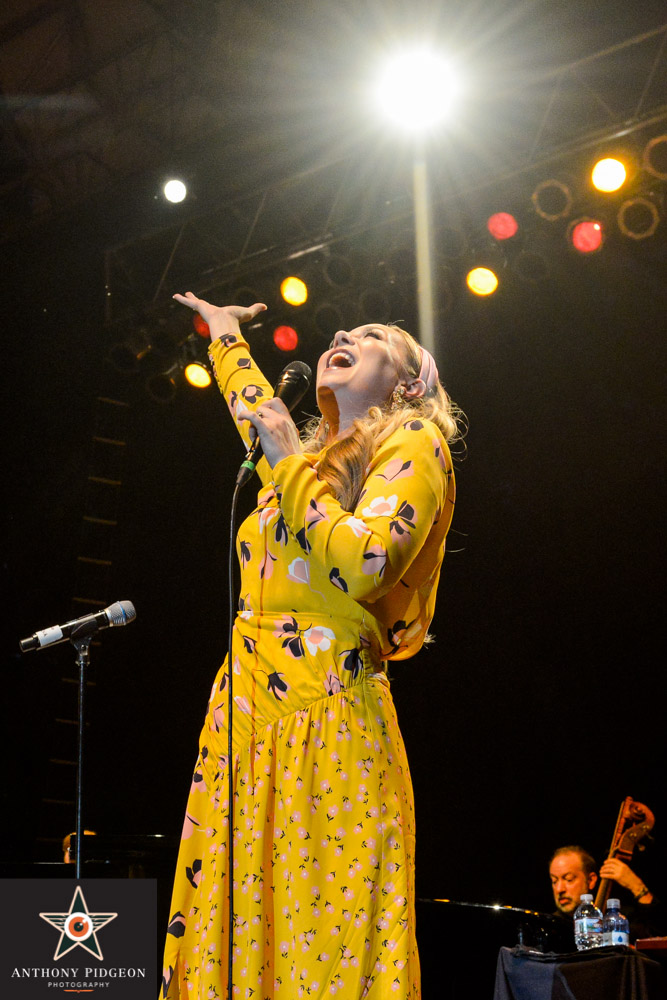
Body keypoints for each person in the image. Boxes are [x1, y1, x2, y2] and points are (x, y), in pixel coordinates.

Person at [160, 295, 462, 999]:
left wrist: (288, 460)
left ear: (407, 382)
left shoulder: (415, 440)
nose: (341, 335)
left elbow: (363, 564)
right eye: (345, 331)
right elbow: (255, 412)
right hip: (245, 719)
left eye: (372, 336)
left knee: (319, 949)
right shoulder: (304, 466)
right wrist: (226, 338)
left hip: (329, 718)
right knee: (237, 941)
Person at [549, 845, 661, 943]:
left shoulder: (618, 919)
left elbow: (656, 932)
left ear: (591, 880)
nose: (559, 889)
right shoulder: (549, 927)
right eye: (554, 881)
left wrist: (637, 887)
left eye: (569, 879)